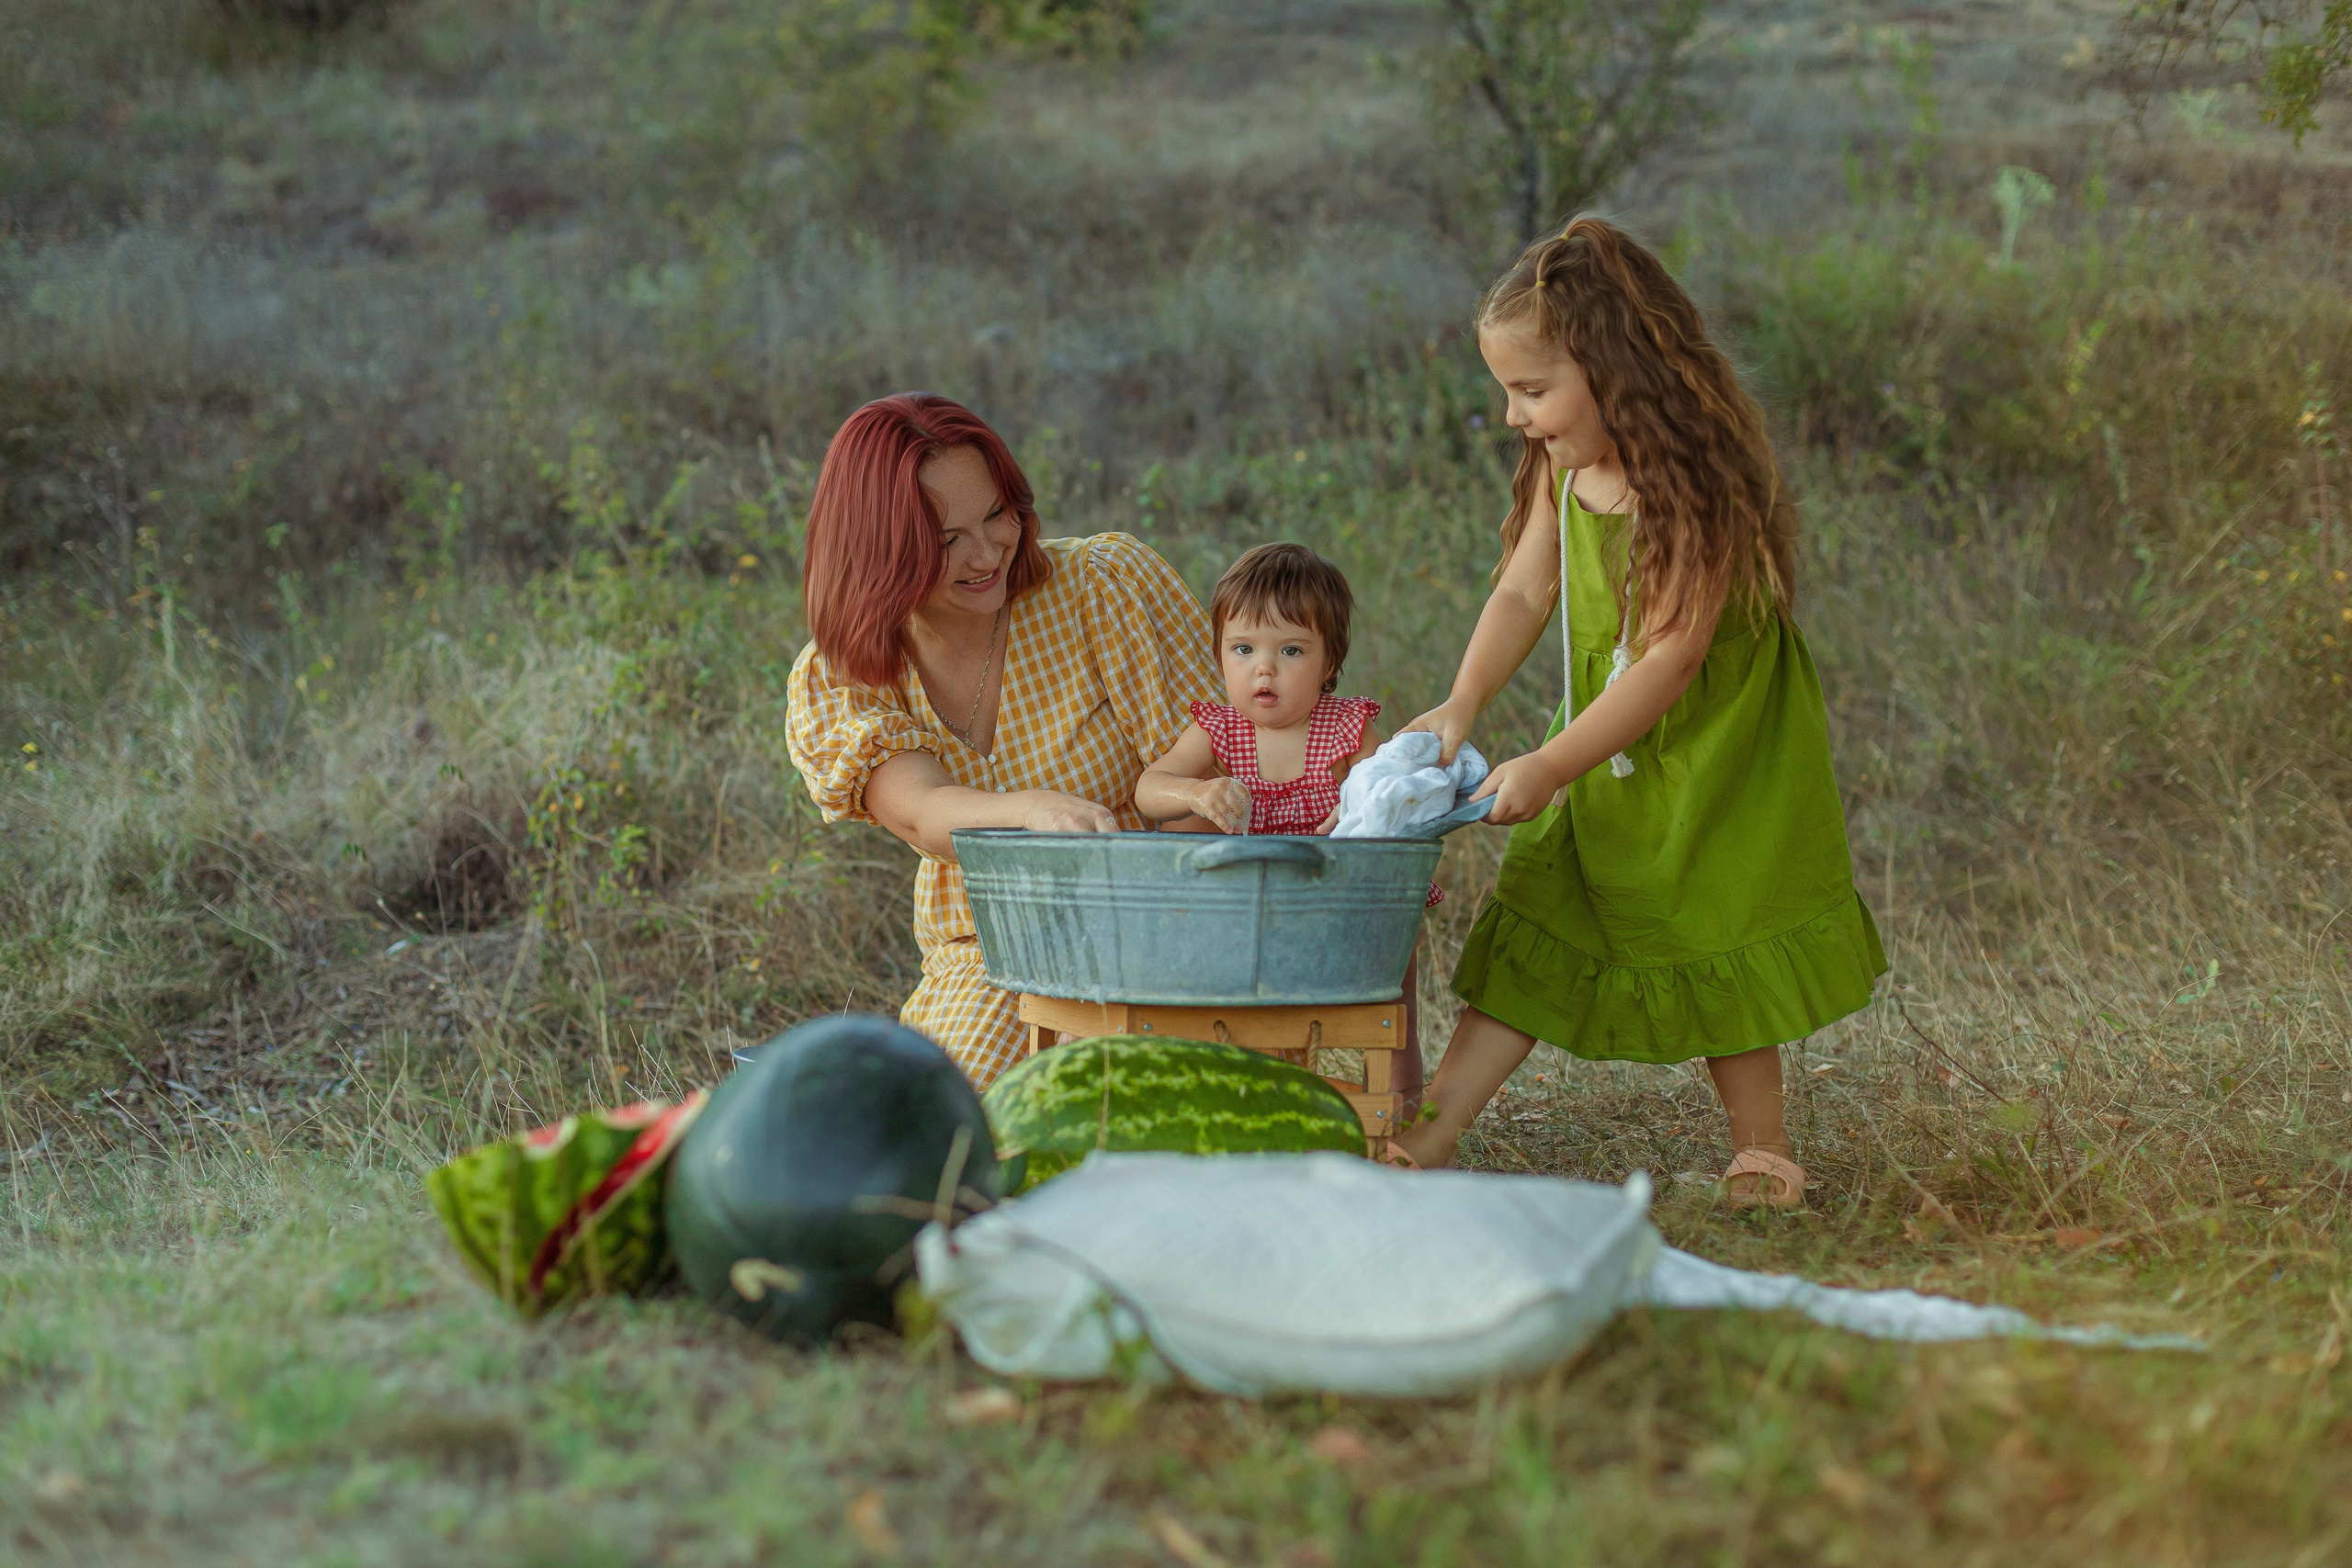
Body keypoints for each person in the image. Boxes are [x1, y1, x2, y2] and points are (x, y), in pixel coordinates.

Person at [1385, 217, 1887, 1206]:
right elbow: (1525, 594)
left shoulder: (1696, 490)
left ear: (1615, 370)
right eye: (1507, 393)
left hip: (1710, 749)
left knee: (1715, 914)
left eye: (1532, 390)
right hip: (1606, 739)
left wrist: (1552, 763)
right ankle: (1425, 1137)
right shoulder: (1564, 473)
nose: (1513, 416)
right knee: (1538, 917)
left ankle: (1763, 1148)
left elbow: (1668, 661)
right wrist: (1463, 699)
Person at [786, 392, 1220, 1089]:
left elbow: (1211, 787)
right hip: (991, 954)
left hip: (1162, 930)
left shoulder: (1104, 586)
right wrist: (1033, 810)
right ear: (881, 549)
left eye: (997, 514)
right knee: (962, 1125)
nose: (987, 552)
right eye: (946, 539)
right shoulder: (844, 675)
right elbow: (925, 814)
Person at [1134, 541, 1430, 1102]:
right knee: (1179, 829)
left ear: (1330, 663)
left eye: (1291, 651)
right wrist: (1195, 792)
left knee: (1397, 976)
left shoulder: (1346, 726)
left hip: (1336, 892)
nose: (1263, 668)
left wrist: (1359, 803)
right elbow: (1149, 790)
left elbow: (1391, 788)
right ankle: (1221, 1066)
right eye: (1242, 649)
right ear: (1219, 656)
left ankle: (1403, 1103)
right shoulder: (1219, 729)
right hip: (1250, 905)